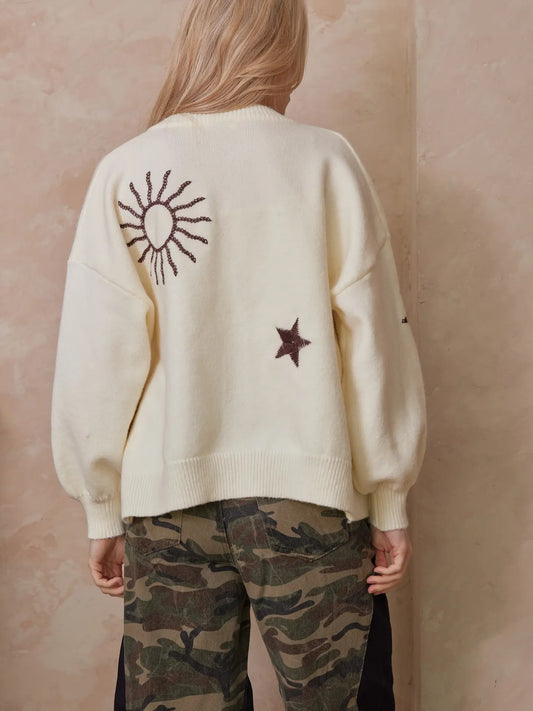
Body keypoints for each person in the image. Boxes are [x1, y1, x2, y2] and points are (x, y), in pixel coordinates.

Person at [50, 1, 427, 709]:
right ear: (287, 50)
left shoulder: (127, 169)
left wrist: (102, 505)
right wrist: (388, 495)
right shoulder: (326, 160)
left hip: (167, 501)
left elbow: (95, 358)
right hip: (312, 495)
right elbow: (373, 342)